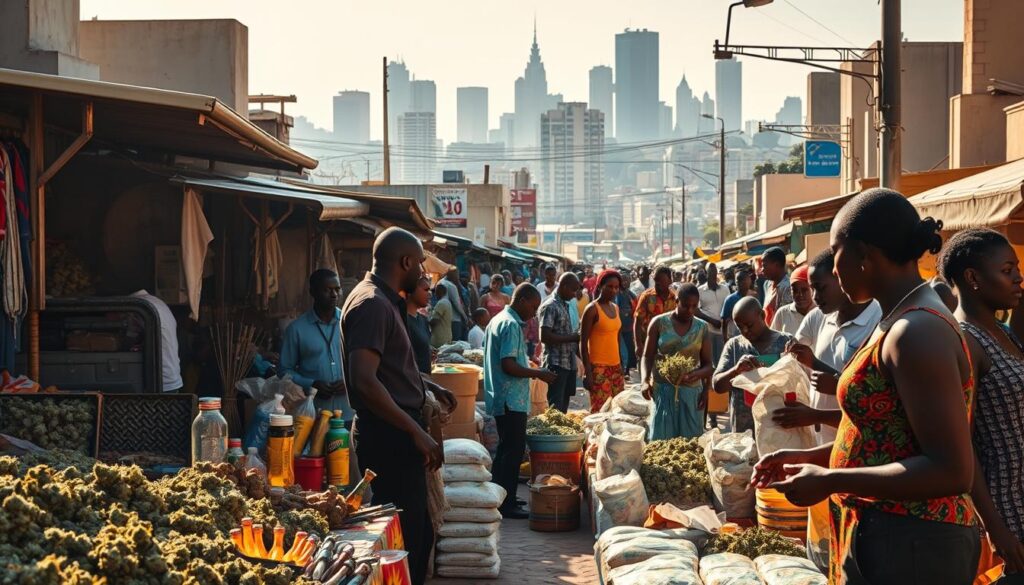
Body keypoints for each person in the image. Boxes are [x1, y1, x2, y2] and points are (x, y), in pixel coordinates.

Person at [752, 189, 979, 585]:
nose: (831, 268)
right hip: (891, 535)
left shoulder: (917, 331)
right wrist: (818, 457)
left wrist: (833, 480)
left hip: (914, 543)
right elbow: (887, 436)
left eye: (835, 250)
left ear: (863, 254)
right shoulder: (898, 318)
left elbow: (952, 469)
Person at [342, 228, 456, 585]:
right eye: (420, 262)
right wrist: (415, 431)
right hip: (389, 435)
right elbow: (365, 380)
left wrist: (427, 385)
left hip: (397, 430)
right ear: (405, 262)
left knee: (415, 534)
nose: (423, 271)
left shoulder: (385, 300)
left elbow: (390, 370)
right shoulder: (372, 304)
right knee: (405, 541)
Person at [938, 228, 1024, 582]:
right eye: (1007, 270)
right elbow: (963, 445)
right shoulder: (964, 341)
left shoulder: (1003, 331)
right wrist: (995, 527)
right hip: (1011, 513)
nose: (1018, 277)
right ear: (972, 278)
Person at [774, 250, 882, 444]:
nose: (815, 296)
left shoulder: (878, 321)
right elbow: (794, 352)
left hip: (858, 443)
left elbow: (874, 399)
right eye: (812, 288)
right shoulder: (819, 316)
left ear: (841, 279)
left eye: (820, 288)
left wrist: (817, 367)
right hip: (822, 441)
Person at [483, 284, 557, 518]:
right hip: (510, 399)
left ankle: (504, 497)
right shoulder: (511, 324)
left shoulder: (499, 319)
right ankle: (505, 504)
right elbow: (509, 364)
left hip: (503, 396)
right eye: (533, 307)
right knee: (512, 452)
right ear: (522, 300)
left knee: (507, 450)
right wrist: (538, 373)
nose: (534, 313)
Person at [641, 284, 714, 439]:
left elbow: (708, 365)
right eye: (685, 305)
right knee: (662, 442)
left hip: (691, 393)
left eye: (694, 306)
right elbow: (647, 356)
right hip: (663, 391)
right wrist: (645, 380)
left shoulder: (702, 328)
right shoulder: (659, 323)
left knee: (690, 445)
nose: (690, 310)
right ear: (676, 301)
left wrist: (702, 385)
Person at [712, 297, 793, 433]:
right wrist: (736, 371)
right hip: (743, 433)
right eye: (740, 327)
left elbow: (797, 382)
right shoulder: (734, 346)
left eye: (749, 325)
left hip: (778, 428)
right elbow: (717, 386)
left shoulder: (786, 343)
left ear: (762, 315)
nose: (745, 331)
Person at [279, 270, 351, 417]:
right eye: (327, 290)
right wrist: (311, 384)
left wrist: (349, 380)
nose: (334, 295)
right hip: (313, 414)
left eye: (337, 289)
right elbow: (284, 370)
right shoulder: (296, 329)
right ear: (313, 292)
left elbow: (363, 363)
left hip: (348, 412)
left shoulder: (350, 323)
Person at [581, 270, 625, 413]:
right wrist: (588, 372)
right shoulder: (592, 309)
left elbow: (617, 337)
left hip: (616, 367)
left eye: (616, 287)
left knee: (617, 411)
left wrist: (621, 365)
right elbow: (582, 343)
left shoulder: (616, 308)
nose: (614, 290)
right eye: (610, 286)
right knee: (599, 413)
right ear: (600, 286)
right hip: (598, 369)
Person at [539, 273, 582, 412]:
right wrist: (572, 337)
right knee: (555, 406)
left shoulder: (564, 304)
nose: (575, 294)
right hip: (556, 363)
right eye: (573, 290)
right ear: (564, 286)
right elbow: (545, 336)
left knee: (564, 404)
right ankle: (554, 433)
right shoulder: (550, 306)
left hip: (567, 362)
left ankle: (561, 432)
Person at [131, 289, 182, 392]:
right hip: (171, 376)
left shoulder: (136, 307)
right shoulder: (155, 301)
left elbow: (129, 339)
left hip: (160, 380)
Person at [634, 265, 678, 363]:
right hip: (647, 344)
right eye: (655, 280)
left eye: (661, 281)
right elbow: (637, 321)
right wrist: (638, 345)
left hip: (668, 346)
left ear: (670, 281)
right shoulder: (646, 296)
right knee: (647, 375)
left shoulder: (675, 298)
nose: (657, 284)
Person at [770, 265, 815, 336]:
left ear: (812, 289)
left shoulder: (820, 312)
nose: (799, 294)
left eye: (804, 290)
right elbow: (773, 340)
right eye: (795, 290)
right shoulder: (782, 313)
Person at [697, 262, 730, 362]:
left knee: (723, 359)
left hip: (724, 331)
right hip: (708, 331)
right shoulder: (700, 290)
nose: (713, 275)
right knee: (709, 360)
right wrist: (712, 321)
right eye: (711, 272)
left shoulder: (725, 289)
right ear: (706, 274)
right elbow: (696, 311)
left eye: (715, 272)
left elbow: (729, 307)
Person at [406, 277, 433, 375]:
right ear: (411, 291)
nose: (429, 294)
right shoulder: (402, 320)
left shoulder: (423, 319)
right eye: (426, 289)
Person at [760, 247, 792, 326]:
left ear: (777, 265)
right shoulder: (767, 285)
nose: (762, 269)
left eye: (764, 265)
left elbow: (785, 318)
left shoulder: (788, 287)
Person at [721, 269, 753, 341]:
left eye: (744, 280)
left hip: (752, 336)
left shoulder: (753, 296)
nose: (740, 283)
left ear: (749, 281)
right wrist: (725, 339)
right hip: (735, 337)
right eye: (738, 280)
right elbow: (724, 321)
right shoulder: (730, 299)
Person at [440, 268, 470, 342]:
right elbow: (457, 304)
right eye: (457, 274)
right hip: (455, 319)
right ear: (452, 274)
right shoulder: (451, 285)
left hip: (444, 318)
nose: (458, 277)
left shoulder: (441, 282)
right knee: (457, 342)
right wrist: (466, 317)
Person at [616, 284, 638, 377]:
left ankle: (627, 369)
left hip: (628, 325)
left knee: (629, 348)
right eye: (623, 280)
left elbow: (636, 301)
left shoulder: (629, 292)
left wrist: (631, 312)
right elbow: (615, 307)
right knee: (621, 349)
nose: (625, 282)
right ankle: (624, 369)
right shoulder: (617, 293)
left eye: (627, 280)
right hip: (618, 326)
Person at [429, 284, 454, 348]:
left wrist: (423, 320)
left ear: (439, 292)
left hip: (440, 338)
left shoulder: (441, 303)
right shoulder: (447, 302)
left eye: (436, 291)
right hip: (447, 336)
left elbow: (434, 321)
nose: (435, 294)